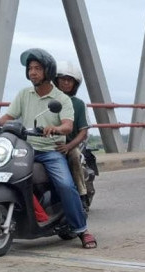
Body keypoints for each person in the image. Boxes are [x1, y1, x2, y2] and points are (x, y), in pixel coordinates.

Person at [0, 48, 97, 249]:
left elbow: (68, 125)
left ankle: (81, 229)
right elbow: (9, 116)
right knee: (5, 174)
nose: (32, 72)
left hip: (50, 151)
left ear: (48, 71)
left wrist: (55, 128)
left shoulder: (62, 99)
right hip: (26, 149)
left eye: (37, 68)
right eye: (30, 68)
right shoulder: (24, 94)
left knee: (66, 186)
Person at [53, 60, 90, 210]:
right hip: (49, 143)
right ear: (56, 81)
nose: (66, 83)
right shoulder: (47, 100)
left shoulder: (78, 104)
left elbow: (84, 132)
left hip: (71, 143)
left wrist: (69, 146)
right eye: (63, 79)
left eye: (70, 80)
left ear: (75, 84)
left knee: (74, 155)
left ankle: (82, 194)